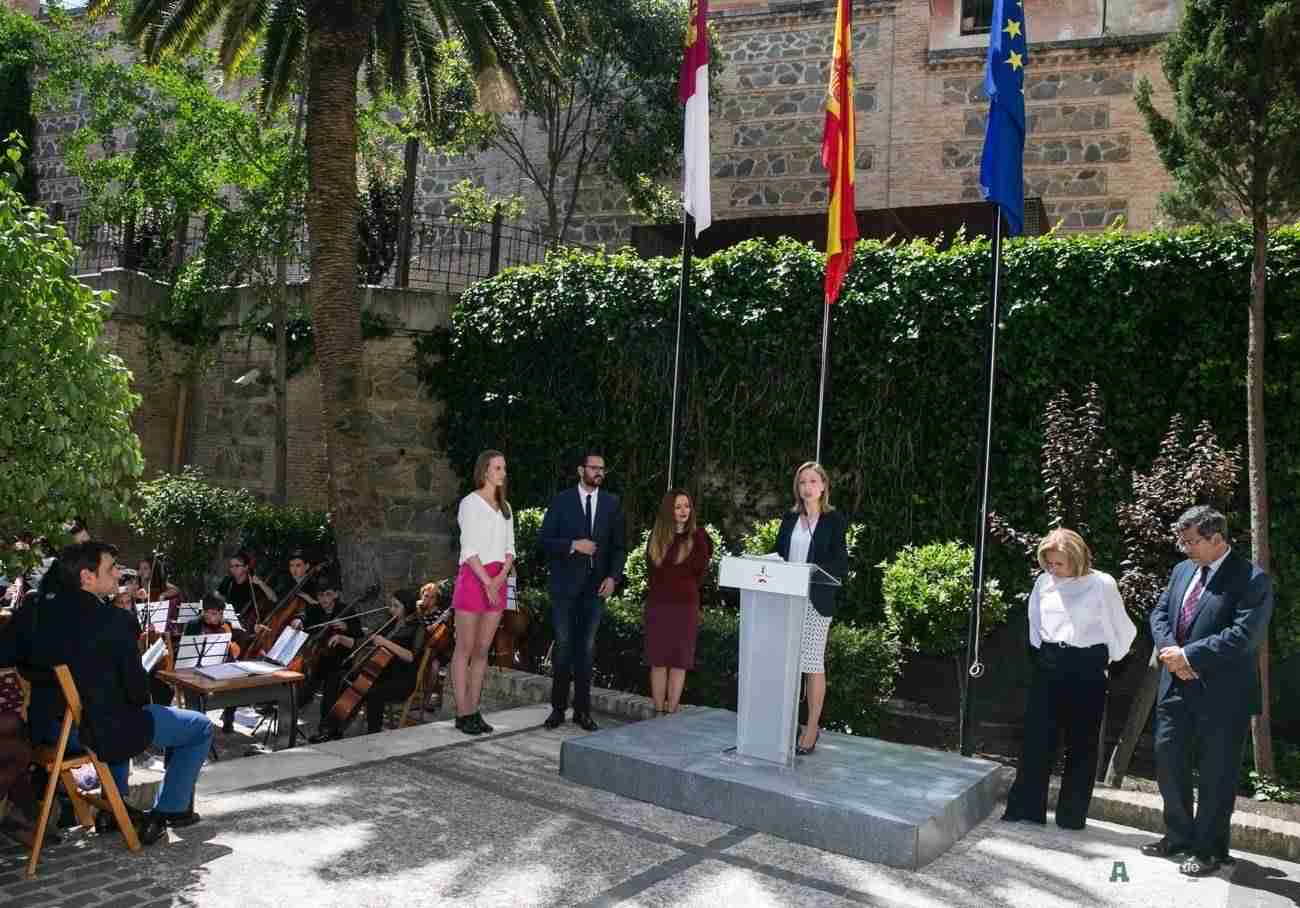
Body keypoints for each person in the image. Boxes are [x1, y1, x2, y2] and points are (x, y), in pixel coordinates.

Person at [9, 541, 213, 845]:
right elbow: (136, 693)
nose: (119, 574)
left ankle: (113, 809)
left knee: (111, 709)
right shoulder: (115, 621)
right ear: (86, 577)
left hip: (46, 727)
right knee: (199, 727)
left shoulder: (33, 611)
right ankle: (168, 811)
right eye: (112, 568)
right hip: (92, 731)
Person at [1140, 506, 1273, 876]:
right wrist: (1171, 654)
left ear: (1217, 539)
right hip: (1175, 687)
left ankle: (1209, 850)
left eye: (1192, 541)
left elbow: (1243, 636)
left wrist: (1189, 655)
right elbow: (1160, 614)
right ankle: (1178, 837)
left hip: (1223, 694)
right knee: (1169, 763)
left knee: (1217, 774)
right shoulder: (1182, 570)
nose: (1185, 548)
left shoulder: (1251, 579)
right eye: (1181, 540)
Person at [1002, 528, 1136, 829]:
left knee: (1082, 745)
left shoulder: (1102, 584)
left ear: (1076, 559)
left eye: (1058, 563)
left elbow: (1123, 629)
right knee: (1037, 739)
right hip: (1050, 663)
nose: (1052, 569)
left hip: (1087, 666)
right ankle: (1026, 809)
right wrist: (1043, 655)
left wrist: (1105, 661)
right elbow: (1034, 622)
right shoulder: (1043, 582)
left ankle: (1071, 816)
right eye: (1047, 562)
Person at [540, 450, 627, 731]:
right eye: (594, 468)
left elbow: (619, 547)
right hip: (565, 587)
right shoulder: (562, 501)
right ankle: (557, 709)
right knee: (564, 647)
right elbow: (544, 541)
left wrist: (613, 578)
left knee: (586, 650)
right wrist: (573, 545)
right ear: (581, 470)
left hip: (596, 589)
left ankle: (583, 711)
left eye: (602, 468)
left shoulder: (612, 503)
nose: (599, 473)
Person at [774, 461, 848, 756]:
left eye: (813, 481)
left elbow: (840, 563)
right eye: (802, 482)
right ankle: (788, 723)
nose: (807, 487)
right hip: (787, 599)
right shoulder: (790, 518)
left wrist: (811, 570)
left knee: (812, 663)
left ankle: (812, 727)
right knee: (789, 664)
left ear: (823, 487)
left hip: (816, 600)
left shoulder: (833, 520)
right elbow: (779, 554)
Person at [450, 450, 516, 735]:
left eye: (504, 467)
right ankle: (462, 712)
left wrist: (499, 578)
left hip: (497, 581)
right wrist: (488, 582)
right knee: (464, 648)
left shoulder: (506, 508)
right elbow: (469, 548)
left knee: (482, 651)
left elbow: (511, 549)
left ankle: (474, 711)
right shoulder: (470, 503)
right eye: (498, 468)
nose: (503, 472)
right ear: (485, 472)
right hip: (474, 578)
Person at [316, 590, 426, 737]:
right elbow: (364, 642)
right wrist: (342, 638)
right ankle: (329, 727)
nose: (391, 609)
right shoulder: (390, 622)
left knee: (372, 692)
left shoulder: (418, 627)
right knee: (336, 678)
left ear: (408, 607)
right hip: (378, 671)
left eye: (395, 606)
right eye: (390, 605)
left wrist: (385, 642)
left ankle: (373, 735)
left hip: (400, 678)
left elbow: (411, 656)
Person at [643, 489, 712, 715]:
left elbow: (701, 573)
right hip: (658, 606)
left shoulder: (700, 537)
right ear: (668, 511)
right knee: (659, 660)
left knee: (679, 661)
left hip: (685, 607)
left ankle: (671, 712)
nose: (684, 511)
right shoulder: (657, 538)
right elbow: (652, 573)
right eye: (678, 507)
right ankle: (657, 711)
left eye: (687, 506)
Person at [301, 575, 363, 743]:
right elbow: (304, 620)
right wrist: (298, 621)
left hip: (340, 661)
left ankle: (327, 729)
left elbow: (359, 641)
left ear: (336, 594)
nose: (324, 599)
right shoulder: (314, 610)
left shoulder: (347, 611)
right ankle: (286, 713)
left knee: (331, 688)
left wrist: (346, 627)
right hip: (316, 660)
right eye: (320, 596)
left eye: (328, 594)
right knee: (304, 687)